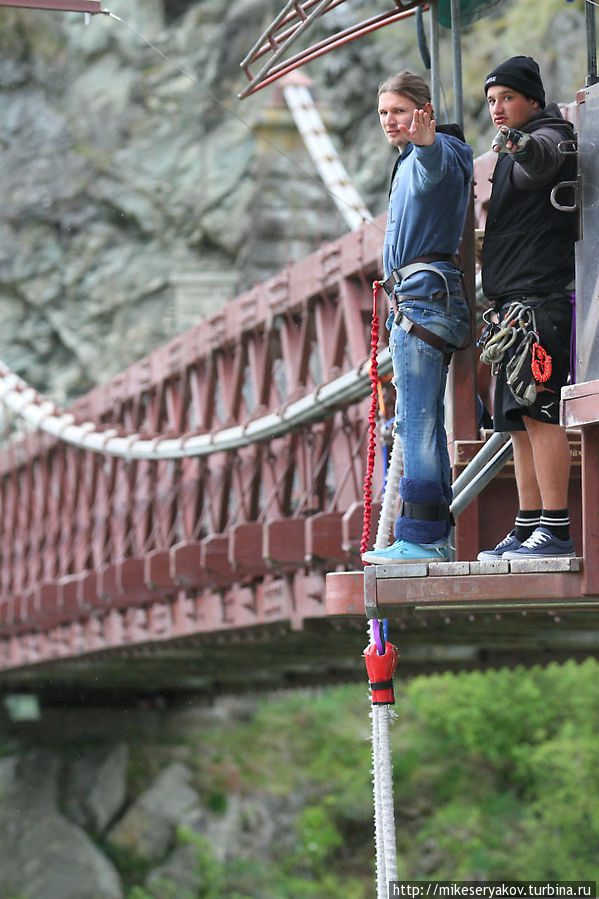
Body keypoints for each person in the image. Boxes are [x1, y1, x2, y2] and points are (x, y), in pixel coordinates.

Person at [361, 72, 473, 564]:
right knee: (422, 422)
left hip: (423, 303)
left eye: (400, 111)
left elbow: (434, 167)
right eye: (384, 112)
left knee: (416, 422)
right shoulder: (418, 157)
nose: (391, 121)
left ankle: (422, 540)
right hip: (426, 299)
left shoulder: (435, 154)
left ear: (423, 112)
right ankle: (430, 534)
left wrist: (424, 142)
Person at [476, 56, 578, 560]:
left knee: (541, 416)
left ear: (532, 99)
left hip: (540, 303)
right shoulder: (516, 145)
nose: (497, 108)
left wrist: (514, 142)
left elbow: (541, 158)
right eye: (491, 101)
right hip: (513, 306)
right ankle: (528, 522)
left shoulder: (551, 135)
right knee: (514, 423)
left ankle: (556, 529)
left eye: (507, 98)